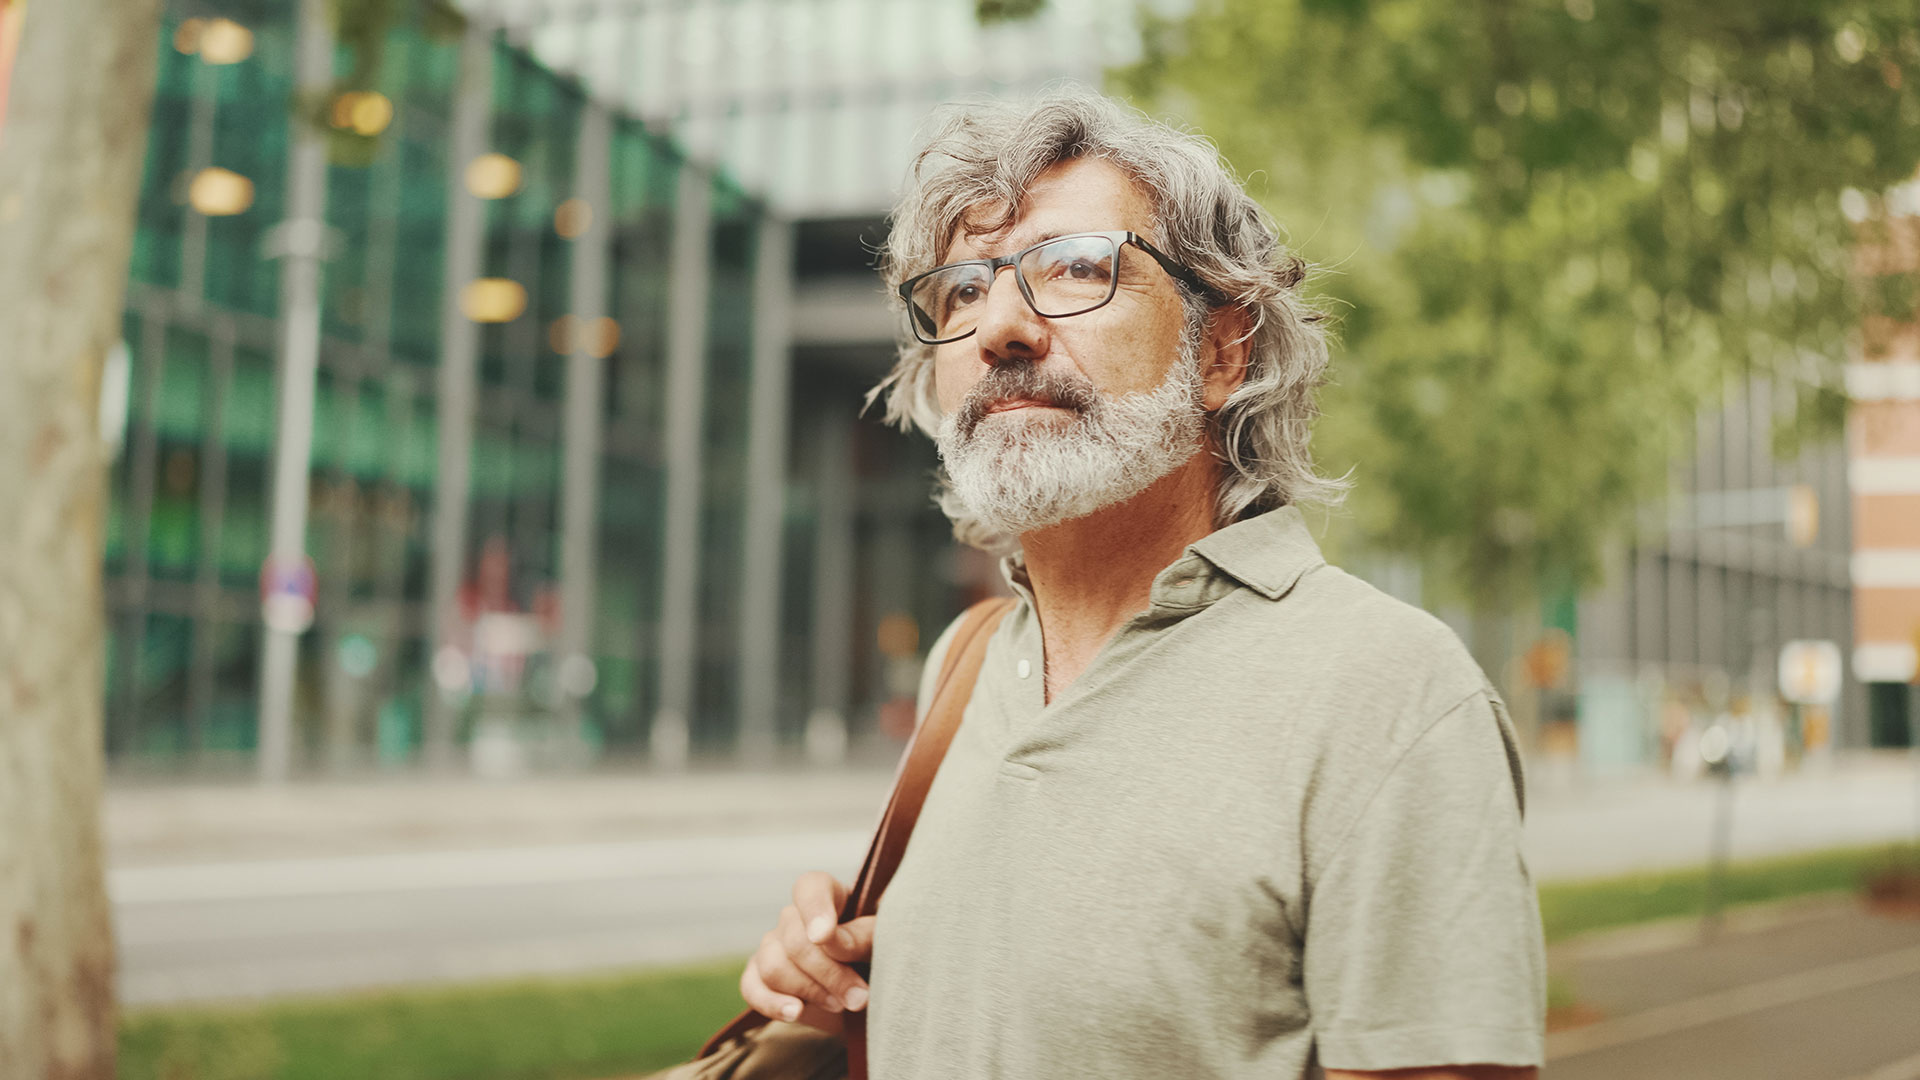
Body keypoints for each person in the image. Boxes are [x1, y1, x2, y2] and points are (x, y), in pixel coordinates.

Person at [739, 87, 1545, 1080]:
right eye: (960, 290)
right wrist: (838, 985)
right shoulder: (969, 659)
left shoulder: (1390, 692)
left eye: (1077, 270)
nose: (1001, 327)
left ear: (1219, 352)